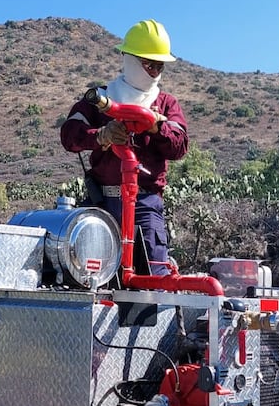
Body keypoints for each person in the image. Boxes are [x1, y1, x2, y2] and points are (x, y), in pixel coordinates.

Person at [61, 19, 188, 276]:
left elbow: (180, 145)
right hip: (103, 203)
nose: (154, 71)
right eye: (149, 64)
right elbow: (69, 135)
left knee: (154, 275)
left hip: (145, 203)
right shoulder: (100, 98)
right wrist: (101, 136)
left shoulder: (165, 104)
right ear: (129, 59)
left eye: (159, 65)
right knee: (92, 275)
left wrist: (156, 127)